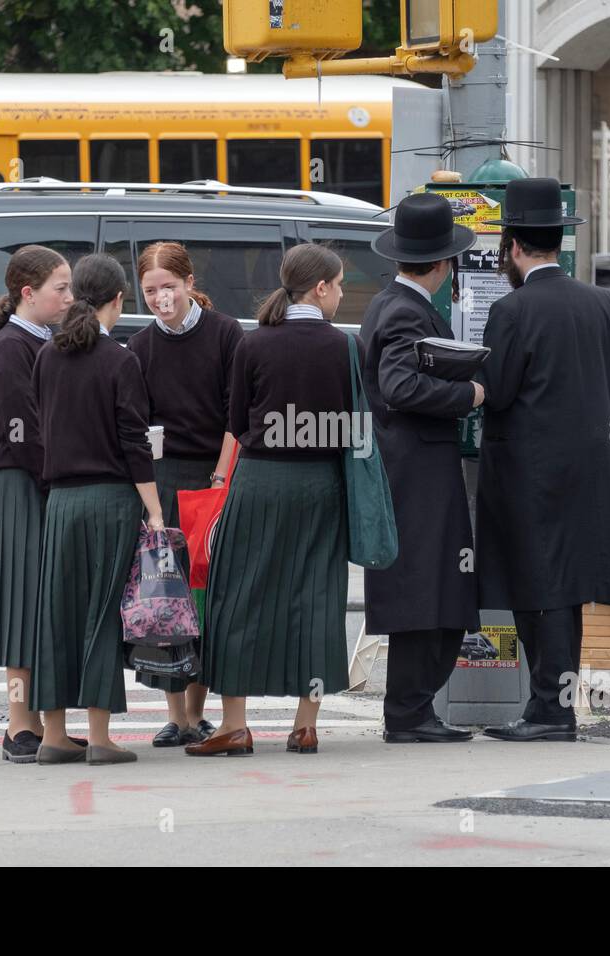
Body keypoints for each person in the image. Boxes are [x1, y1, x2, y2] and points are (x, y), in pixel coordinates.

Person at [475, 177, 610, 742]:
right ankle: (553, 705)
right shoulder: (604, 302)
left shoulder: (511, 309)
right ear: (558, 243)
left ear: (514, 248)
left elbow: (496, 391)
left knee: (535, 589)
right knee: (565, 592)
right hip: (592, 471)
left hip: (527, 475)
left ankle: (550, 710)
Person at [188, 243, 361, 757]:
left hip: (260, 481)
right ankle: (305, 725)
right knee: (316, 599)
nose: (344, 294)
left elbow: (237, 422)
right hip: (321, 484)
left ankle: (235, 724)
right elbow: (359, 426)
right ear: (322, 287)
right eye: (341, 284)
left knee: (238, 597)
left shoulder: (253, 343)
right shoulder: (345, 347)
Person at [359, 192, 484, 744]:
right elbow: (401, 386)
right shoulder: (407, 311)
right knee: (427, 590)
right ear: (442, 262)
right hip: (416, 470)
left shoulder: (389, 303)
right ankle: (409, 712)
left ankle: (411, 710)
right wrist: (470, 392)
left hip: (407, 467)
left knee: (429, 587)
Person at [30, 253, 164, 765]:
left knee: (58, 615)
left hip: (61, 502)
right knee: (102, 614)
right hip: (109, 501)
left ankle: (54, 735)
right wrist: (153, 511)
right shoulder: (121, 360)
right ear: (118, 300)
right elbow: (135, 442)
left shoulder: (47, 357)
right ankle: (101, 737)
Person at [0, 244, 82, 764]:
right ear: (28, 293)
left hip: (31, 483)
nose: (70, 296)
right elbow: (23, 434)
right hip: (21, 486)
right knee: (21, 608)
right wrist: (60, 476)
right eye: (61, 287)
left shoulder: (35, 341)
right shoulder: (11, 349)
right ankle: (19, 726)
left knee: (36, 607)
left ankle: (34, 723)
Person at [127, 241, 242, 748]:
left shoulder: (225, 334)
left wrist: (219, 479)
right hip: (165, 479)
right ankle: (177, 715)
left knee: (208, 598)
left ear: (189, 282)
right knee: (167, 599)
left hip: (214, 478)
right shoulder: (141, 347)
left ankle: (198, 713)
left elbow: (237, 417)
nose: (160, 298)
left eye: (168, 287)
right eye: (150, 290)